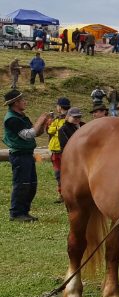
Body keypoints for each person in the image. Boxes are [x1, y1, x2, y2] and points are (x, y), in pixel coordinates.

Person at [4, 90, 52, 222]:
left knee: (31, 185)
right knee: (22, 184)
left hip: (27, 155)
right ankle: (16, 213)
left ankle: (24, 212)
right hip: (19, 155)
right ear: (15, 103)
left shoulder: (22, 116)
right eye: (22, 100)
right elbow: (28, 135)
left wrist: (43, 125)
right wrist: (39, 120)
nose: (25, 102)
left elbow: (35, 133)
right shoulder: (11, 119)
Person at [46, 97, 71, 203]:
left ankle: (69, 194)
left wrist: (54, 128)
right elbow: (49, 131)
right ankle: (62, 194)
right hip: (55, 151)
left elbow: (58, 130)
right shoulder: (56, 119)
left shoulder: (68, 119)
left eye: (57, 105)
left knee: (68, 173)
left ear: (60, 107)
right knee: (58, 174)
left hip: (64, 151)